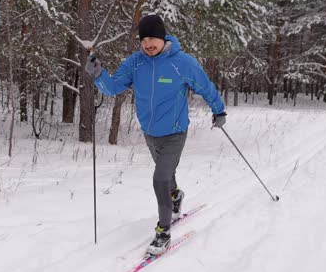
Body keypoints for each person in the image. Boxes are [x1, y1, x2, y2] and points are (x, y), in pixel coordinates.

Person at [85, 14, 227, 255]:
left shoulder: (182, 63)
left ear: (162, 38)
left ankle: (163, 232)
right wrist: (99, 75)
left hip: (174, 132)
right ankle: (175, 196)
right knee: (167, 174)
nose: (148, 44)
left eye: (153, 39)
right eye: (143, 40)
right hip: (149, 132)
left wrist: (219, 110)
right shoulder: (135, 63)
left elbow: (205, 86)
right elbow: (114, 87)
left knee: (159, 177)